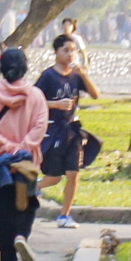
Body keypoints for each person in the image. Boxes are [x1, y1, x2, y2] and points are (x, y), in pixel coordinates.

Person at [0, 47, 48, 261]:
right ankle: (21, 236)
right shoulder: (36, 95)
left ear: (1, 67)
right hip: (26, 163)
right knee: (27, 202)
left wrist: (6, 147)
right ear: (25, 68)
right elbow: (40, 126)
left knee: (1, 210)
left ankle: (8, 260)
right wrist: (22, 148)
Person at [36, 33, 100, 228]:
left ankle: (65, 215)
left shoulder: (76, 75)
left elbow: (96, 95)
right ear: (56, 52)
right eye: (66, 50)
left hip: (72, 131)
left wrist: (83, 74)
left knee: (73, 173)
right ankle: (33, 187)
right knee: (54, 176)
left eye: (73, 51)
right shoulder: (48, 76)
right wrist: (55, 104)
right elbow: (33, 101)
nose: (70, 54)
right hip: (53, 130)